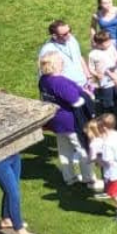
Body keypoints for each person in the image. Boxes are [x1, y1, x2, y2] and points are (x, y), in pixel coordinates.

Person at [38, 51, 98, 188]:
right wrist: (88, 95)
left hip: (56, 120)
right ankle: (89, 179)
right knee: (83, 149)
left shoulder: (43, 80)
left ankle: (69, 177)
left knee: (64, 150)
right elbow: (75, 101)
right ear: (55, 64)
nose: (62, 62)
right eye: (60, 60)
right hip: (71, 121)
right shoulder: (60, 82)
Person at [86, 113, 117, 221]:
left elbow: (107, 160)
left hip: (116, 171)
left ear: (103, 127)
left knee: (113, 192)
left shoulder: (107, 143)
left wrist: (96, 159)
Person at [0, 154, 41, 234]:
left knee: (13, 189)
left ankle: (6, 219)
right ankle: (21, 232)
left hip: (14, 155)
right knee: (13, 194)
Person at [38, 20, 89, 87]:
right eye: (65, 34)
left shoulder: (72, 40)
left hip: (84, 85)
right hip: (66, 90)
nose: (69, 35)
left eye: (70, 31)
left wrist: (88, 76)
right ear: (54, 36)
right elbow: (44, 74)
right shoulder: (47, 50)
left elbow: (79, 57)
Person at [86, 30, 117, 116]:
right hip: (105, 81)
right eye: (107, 42)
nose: (109, 43)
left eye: (109, 40)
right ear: (98, 43)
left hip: (116, 77)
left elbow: (116, 57)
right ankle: (109, 115)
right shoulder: (93, 54)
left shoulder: (112, 48)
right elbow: (91, 68)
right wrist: (97, 74)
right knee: (108, 100)